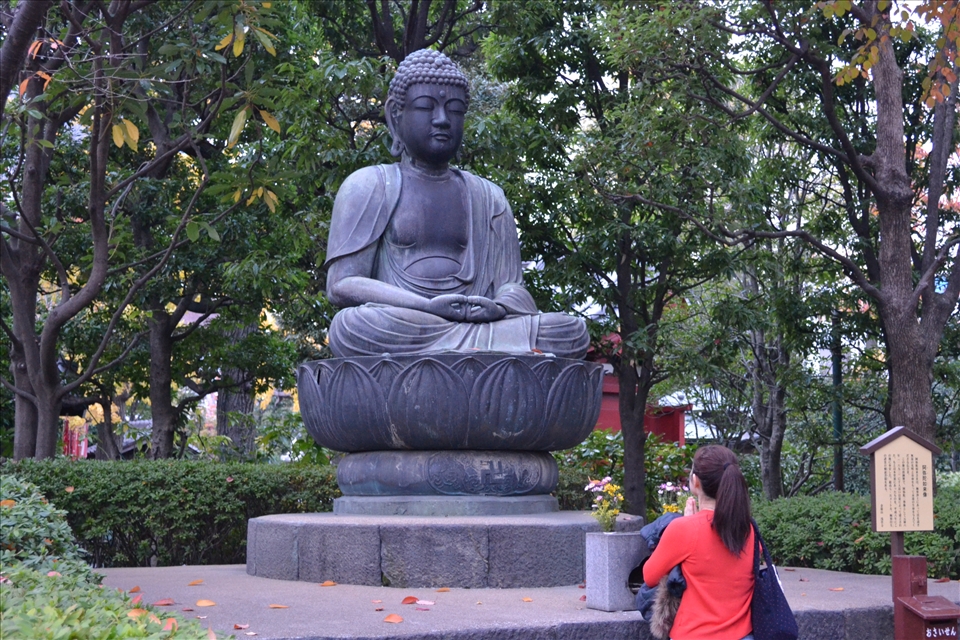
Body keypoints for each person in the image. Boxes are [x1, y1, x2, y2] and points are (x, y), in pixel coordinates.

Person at [324, 49, 589, 358]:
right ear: (396, 115)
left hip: (481, 327)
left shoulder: (489, 197)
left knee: (570, 331)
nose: (442, 120)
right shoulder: (369, 185)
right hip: (407, 322)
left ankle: (465, 353)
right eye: (426, 107)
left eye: (455, 110)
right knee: (353, 325)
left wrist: (497, 307)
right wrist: (426, 306)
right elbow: (342, 285)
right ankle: (475, 358)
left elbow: (513, 288)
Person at [642, 445, 756, 640]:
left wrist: (687, 524)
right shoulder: (749, 529)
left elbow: (649, 576)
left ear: (695, 481)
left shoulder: (683, 529)